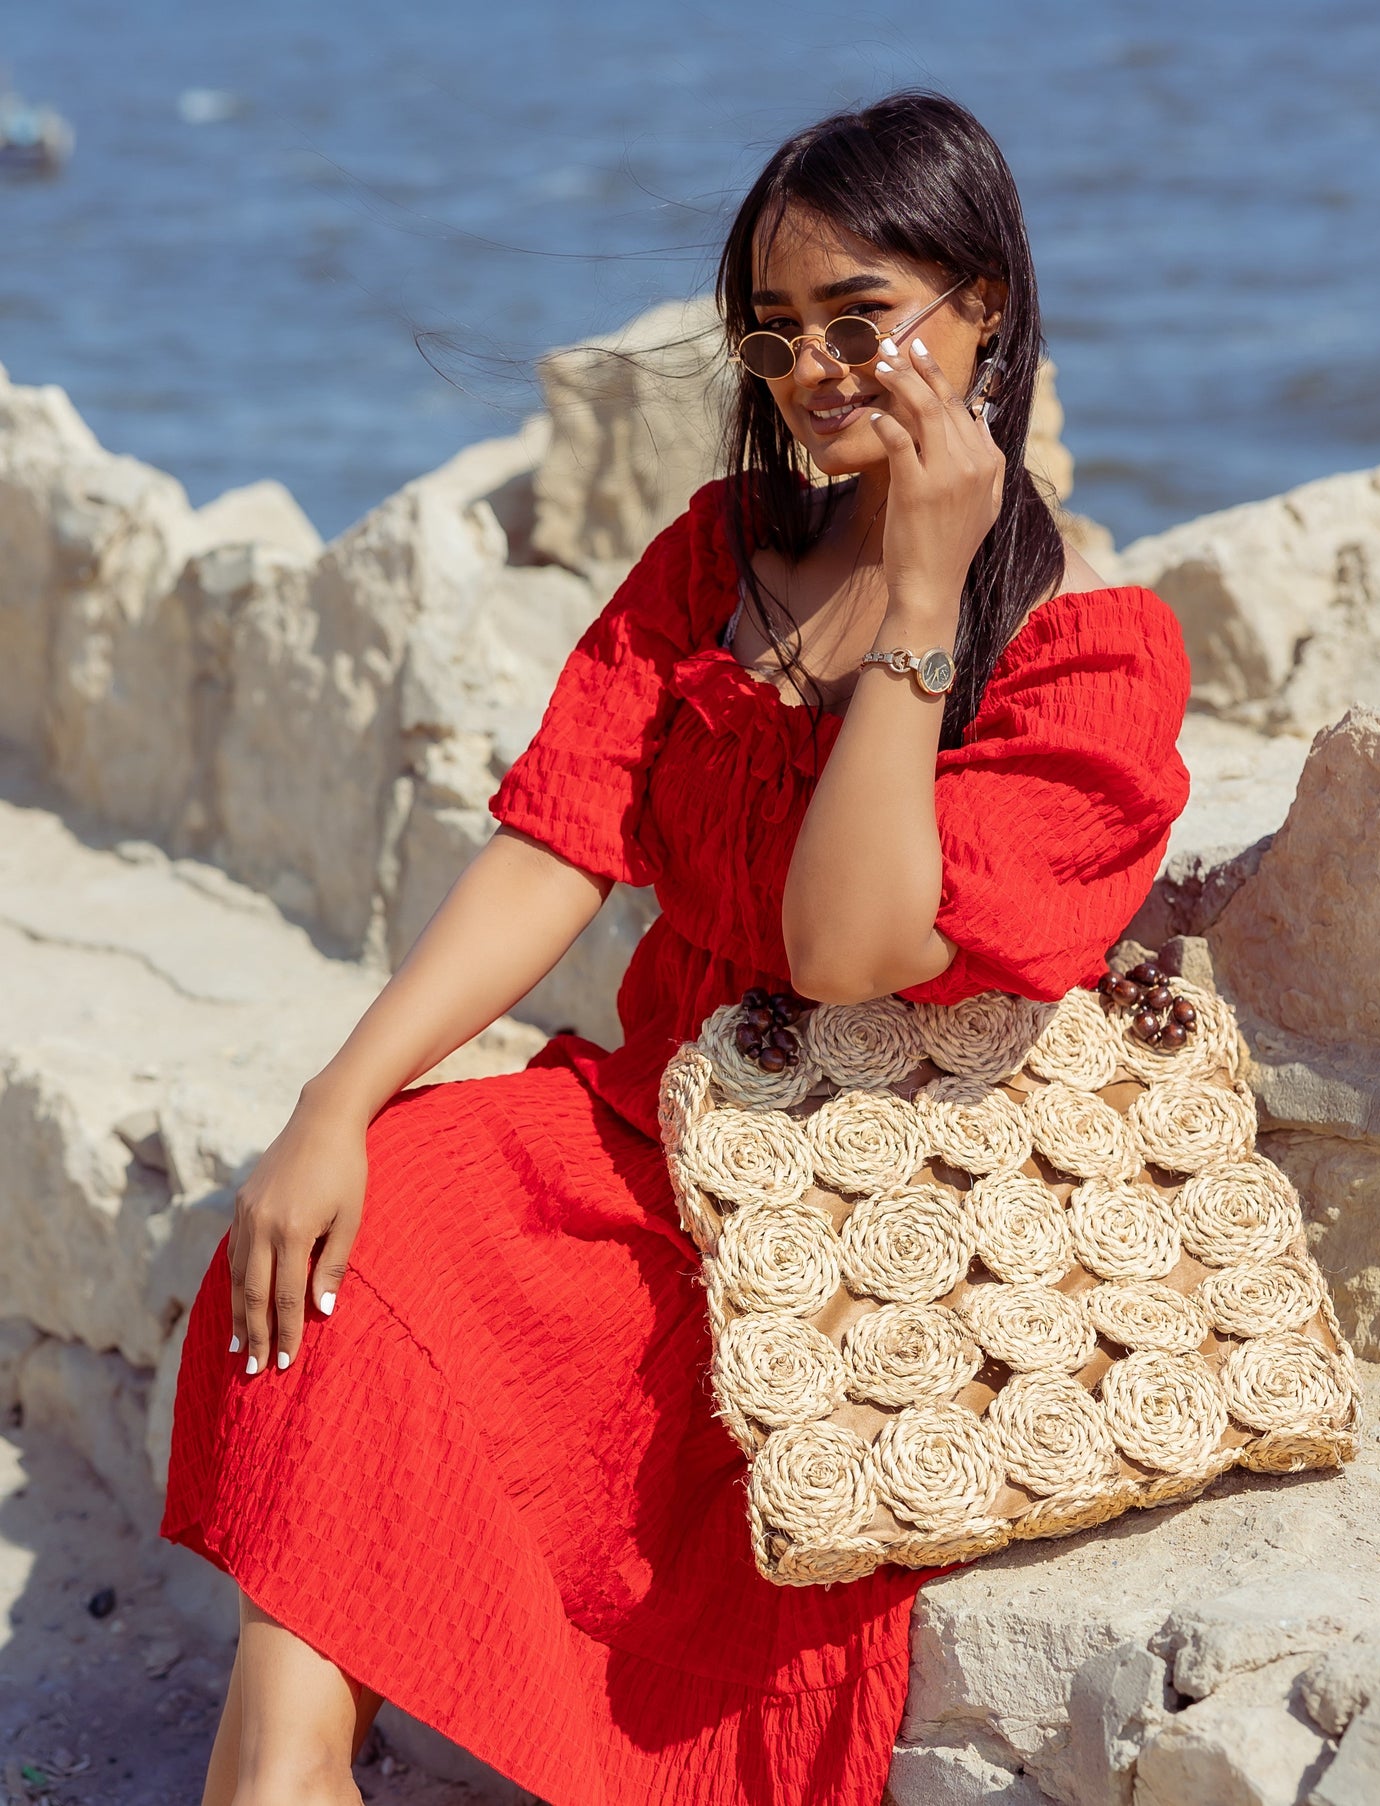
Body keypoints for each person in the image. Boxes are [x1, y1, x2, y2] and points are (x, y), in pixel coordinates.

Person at [162, 89, 1190, 1806]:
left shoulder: (1087, 655)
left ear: (984, 310)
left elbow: (845, 945)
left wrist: (922, 600)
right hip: (642, 1128)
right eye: (777, 333)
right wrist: (330, 1100)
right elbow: (556, 839)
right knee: (362, 1218)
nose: (814, 372)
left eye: (861, 320)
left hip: (853, 1211)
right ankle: (280, 1767)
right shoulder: (721, 558)